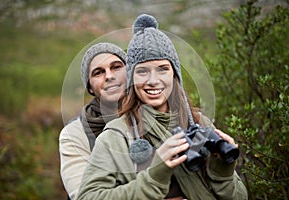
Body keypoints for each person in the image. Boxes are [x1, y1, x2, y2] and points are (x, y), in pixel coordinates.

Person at [77, 14, 248, 200]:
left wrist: (222, 173)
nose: (153, 81)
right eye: (142, 71)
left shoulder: (200, 122)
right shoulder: (116, 136)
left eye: (162, 69)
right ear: (131, 79)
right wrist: (154, 176)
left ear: (175, 76)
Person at [59, 42, 127, 200]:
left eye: (116, 67)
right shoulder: (75, 134)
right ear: (90, 87)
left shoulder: (153, 115)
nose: (109, 76)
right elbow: (83, 195)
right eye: (98, 72)